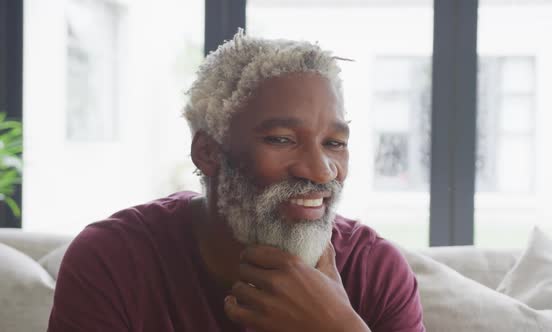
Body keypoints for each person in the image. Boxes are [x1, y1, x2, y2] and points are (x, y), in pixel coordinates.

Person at [47, 31, 425, 332]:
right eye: (282, 139)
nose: (322, 170)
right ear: (208, 153)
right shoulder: (114, 263)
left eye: (335, 143)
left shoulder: (375, 271)